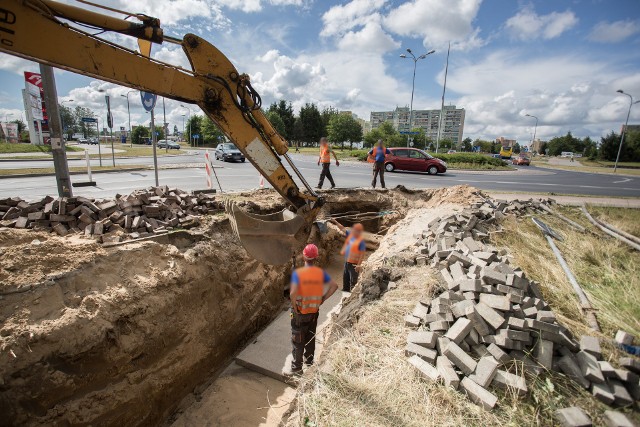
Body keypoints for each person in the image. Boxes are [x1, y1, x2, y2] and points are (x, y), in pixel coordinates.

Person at [287, 244, 338, 374]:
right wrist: (323, 299)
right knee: (310, 338)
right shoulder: (320, 273)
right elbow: (334, 286)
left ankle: (297, 368)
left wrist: (294, 307)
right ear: (316, 258)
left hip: (300, 313)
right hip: (314, 313)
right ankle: (309, 363)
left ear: (304, 256)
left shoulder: (299, 274)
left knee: (298, 341)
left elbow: (292, 294)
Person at [331, 220, 366, 292]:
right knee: (346, 278)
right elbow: (342, 228)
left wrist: (359, 265)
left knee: (353, 280)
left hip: (354, 264)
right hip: (347, 263)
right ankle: (345, 290)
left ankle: (353, 294)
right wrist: (335, 222)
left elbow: (362, 254)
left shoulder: (361, 241)